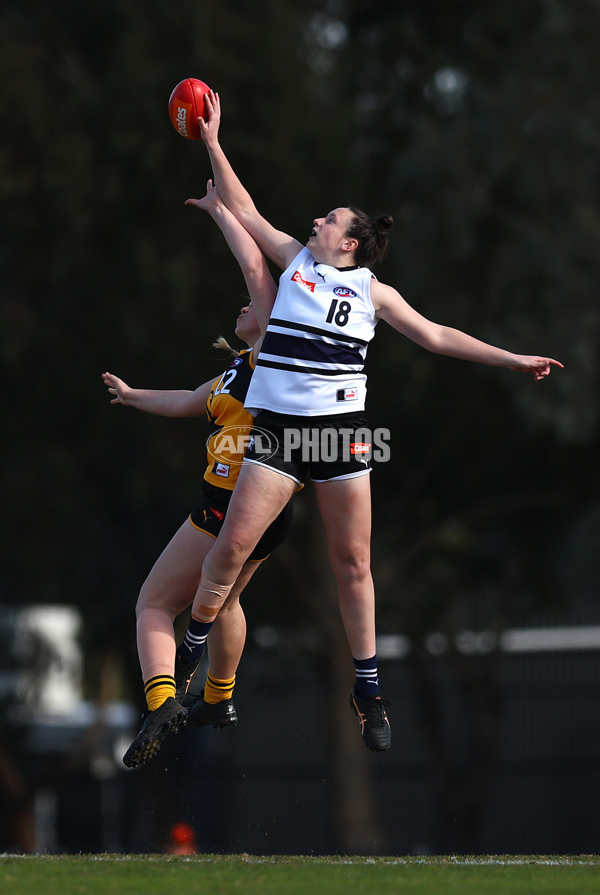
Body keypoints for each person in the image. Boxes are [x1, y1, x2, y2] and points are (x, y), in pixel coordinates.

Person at [177, 90, 564, 753]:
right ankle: (195, 640)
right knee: (228, 553)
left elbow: (437, 336)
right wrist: (212, 140)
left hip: (337, 433)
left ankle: (369, 689)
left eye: (328, 219)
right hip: (279, 434)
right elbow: (245, 209)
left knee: (353, 561)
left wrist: (511, 360)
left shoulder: (372, 292)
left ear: (350, 242)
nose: (315, 221)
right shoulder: (294, 261)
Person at [104, 182, 293, 769]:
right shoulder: (241, 369)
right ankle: (219, 697)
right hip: (272, 513)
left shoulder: (274, 357)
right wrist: (133, 396)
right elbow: (188, 400)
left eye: (250, 307)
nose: (243, 308)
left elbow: (255, 268)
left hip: (231, 505)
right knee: (227, 595)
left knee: (155, 604)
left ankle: (163, 699)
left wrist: (221, 212)